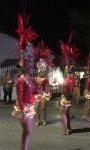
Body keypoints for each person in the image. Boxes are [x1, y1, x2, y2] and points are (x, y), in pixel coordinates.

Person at [11, 13, 38, 150]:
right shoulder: (20, 79)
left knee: (29, 133)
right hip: (24, 108)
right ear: (23, 64)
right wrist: (22, 111)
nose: (32, 65)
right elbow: (20, 98)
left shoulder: (32, 79)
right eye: (29, 62)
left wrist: (39, 90)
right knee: (27, 132)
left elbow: (35, 92)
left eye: (32, 62)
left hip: (31, 107)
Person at [59, 38, 80, 135]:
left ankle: (65, 130)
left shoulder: (70, 79)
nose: (65, 67)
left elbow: (66, 88)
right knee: (66, 113)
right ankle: (69, 128)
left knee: (62, 113)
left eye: (67, 66)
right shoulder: (70, 78)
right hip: (67, 97)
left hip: (67, 97)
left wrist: (61, 85)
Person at [34, 42, 52, 126]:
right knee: (36, 107)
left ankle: (44, 120)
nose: (42, 71)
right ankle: (38, 120)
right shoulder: (35, 79)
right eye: (40, 70)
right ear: (38, 70)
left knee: (43, 107)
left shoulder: (46, 79)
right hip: (37, 94)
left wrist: (49, 93)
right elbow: (33, 87)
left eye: (43, 70)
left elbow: (48, 87)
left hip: (44, 94)